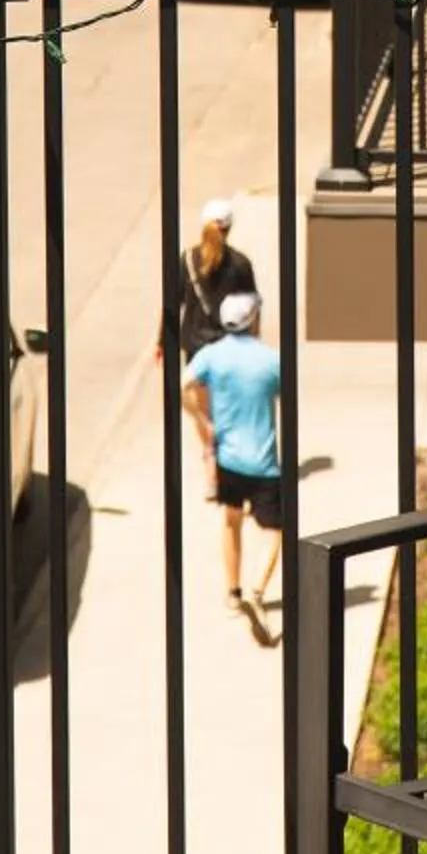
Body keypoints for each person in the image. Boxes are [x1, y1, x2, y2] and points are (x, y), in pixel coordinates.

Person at [182, 291, 283, 615]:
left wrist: (203, 422)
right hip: (264, 462)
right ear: (254, 320)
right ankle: (257, 589)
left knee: (231, 522)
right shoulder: (270, 359)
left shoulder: (212, 356)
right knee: (275, 531)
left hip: (229, 458)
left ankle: (233, 592)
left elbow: (184, 386)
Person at [158, 197, 258, 365]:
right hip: (229, 345)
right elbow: (252, 309)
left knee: (196, 390)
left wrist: (162, 341)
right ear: (229, 228)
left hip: (195, 345)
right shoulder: (240, 263)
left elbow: (173, 304)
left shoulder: (188, 260)